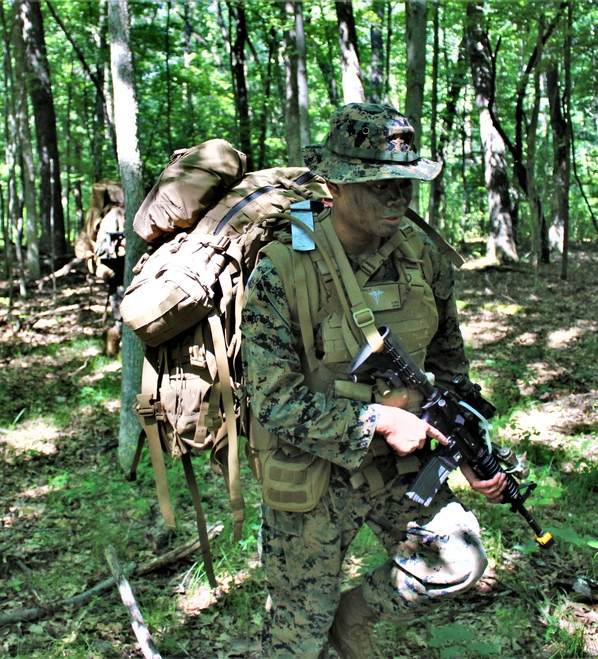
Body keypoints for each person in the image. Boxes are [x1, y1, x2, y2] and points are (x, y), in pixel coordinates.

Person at [241, 103, 507, 659]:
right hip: (311, 473)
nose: (397, 197)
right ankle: (316, 628)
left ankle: (349, 620)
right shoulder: (284, 268)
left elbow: (450, 369)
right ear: (335, 185)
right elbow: (271, 401)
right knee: (295, 639)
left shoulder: (424, 258)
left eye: (405, 183)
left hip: (396, 471)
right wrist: (378, 419)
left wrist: (469, 452)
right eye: (379, 183)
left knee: (459, 557)